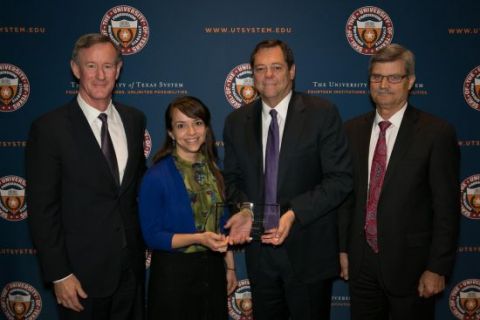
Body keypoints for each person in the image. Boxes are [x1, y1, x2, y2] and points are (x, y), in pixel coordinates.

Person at [223, 39, 352, 319]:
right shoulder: (236, 122)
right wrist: (244, 209)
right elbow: (231, 180)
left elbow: (340, 179)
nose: (268, 75)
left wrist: (294, 212)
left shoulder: (322, 113)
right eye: (260, 68)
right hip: (260, 255)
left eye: (276, 67)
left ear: (291, 71)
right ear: (252, 74)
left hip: (308, 250)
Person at [26, 33, 146, 319]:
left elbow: (135, 191)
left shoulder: (134, 120)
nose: (101, 75)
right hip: (79, 279)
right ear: (75, 69)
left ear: (118, 70)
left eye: (108, 66)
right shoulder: (50, 129)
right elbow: (43, 210)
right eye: (91, 66)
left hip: (131, 273)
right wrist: (59, 275)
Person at [338, 44, 460, 320]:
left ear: (411, 81)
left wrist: (437, 267)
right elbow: (347, 197)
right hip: (362, 264)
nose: (384, 85)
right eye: (377, 77)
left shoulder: (436, 133)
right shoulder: (351, 130)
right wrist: (343, 249)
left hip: (413, 267)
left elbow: (446, 208)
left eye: (394, 77)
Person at [138, 96, 237, 319]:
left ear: (206, 127)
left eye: (197, 123)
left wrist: (229, 266)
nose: (191, 132)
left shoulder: (215, 169)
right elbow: (152, 236)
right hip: (173, 276)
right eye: (181, 125)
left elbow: (223, 224)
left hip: (212, 270)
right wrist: (198, 238)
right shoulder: (156, 176)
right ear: (171, 133)